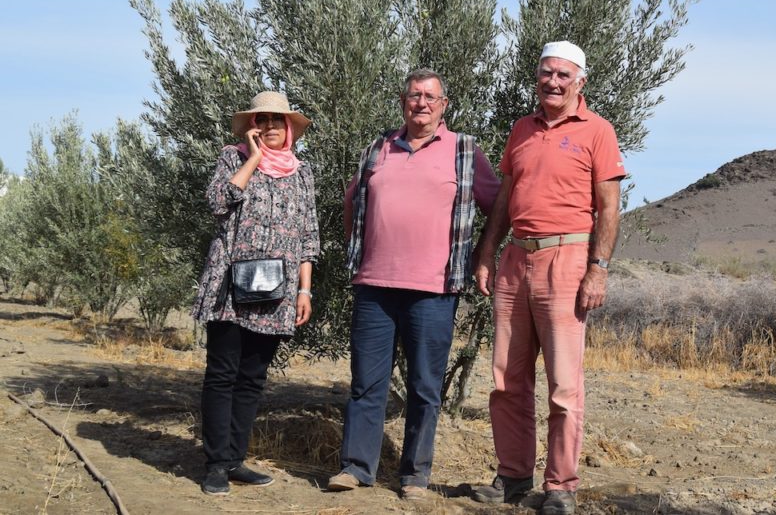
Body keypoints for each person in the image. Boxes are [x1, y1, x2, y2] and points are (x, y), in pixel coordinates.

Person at [328, 69, 500, 500]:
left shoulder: (463, 151)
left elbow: (498, 206)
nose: (420, 103)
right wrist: (357, 249)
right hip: (375, 285)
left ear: (444, 105)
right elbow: (352, 202)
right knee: (366, 382)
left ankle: (415, 476)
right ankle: (356, 468)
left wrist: (483, 255)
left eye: (430, 97)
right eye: (413, 95)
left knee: (425, 386)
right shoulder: (378, 147)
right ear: (402, 101)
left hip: (434, 289)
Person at [472, 41, 626, 515]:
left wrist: (597, 269)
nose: (553, 82)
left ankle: (560, 486)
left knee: (563, 384)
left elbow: (610, 208)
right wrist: (486, 252)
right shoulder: (521, 129)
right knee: (506, 379)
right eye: (546, 73)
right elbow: (504, 198)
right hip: (517, 259)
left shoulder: (598, 131)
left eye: (563, 75)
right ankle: (514, 475)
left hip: (569, 257)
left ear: (580, 81)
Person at [191, 91, 320, 496]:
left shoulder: (303, 173)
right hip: (229, 286)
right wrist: (251, 158)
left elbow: (307, 236)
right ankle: (214, 464)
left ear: (290, 129)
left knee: (251, 379)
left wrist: (305, 289)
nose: (269, 128)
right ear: (251, 128)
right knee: (222, 375)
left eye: (277, 121)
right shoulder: (233, 158)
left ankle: (234, 459)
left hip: (276, 291)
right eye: (261, 121)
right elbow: (216, 201)